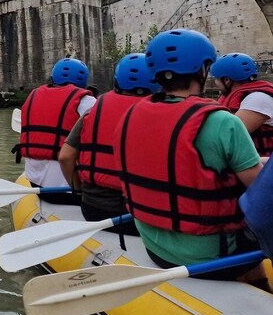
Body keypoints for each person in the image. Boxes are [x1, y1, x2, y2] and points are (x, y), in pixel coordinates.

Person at [111, 29, 266, 286]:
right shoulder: (222, 122)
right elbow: (261, 193)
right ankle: (260, 286)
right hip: (210, 256)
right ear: (204, 69)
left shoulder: (129, 115)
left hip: (154, 247)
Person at [58, 53, 157, 234]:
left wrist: (78, 191)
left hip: (93, 210)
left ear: (117, 82)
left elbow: (65, 157)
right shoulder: (165, 117)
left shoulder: (92, 110)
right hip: (141, 216)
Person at [15, 58, 96, 204]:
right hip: (70, 190)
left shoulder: (32, 96)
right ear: (83, 82)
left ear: (53, 79)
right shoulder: (87, 102)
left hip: (36, 185)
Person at [211, 53, 273, 157]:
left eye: (216, 79)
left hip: (264, 167)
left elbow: (229, 136)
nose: (215, 83)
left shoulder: (258, 98)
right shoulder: (239, 96)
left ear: (226, 80)